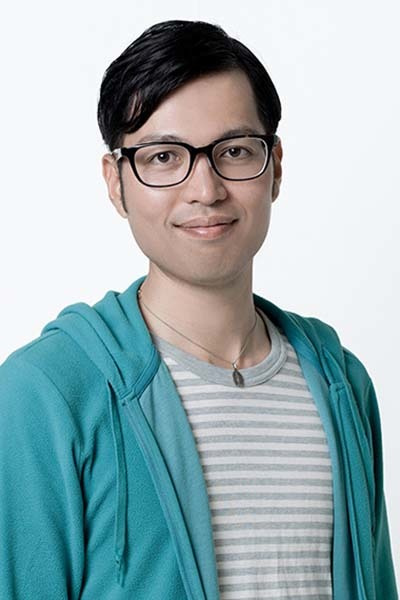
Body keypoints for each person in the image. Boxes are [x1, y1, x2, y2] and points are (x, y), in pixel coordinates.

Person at [0, 19, 397, 600]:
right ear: (116, 182)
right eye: (163, 157)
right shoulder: (46, 394)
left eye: (234, 152)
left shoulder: (342, 383)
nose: (205, 190)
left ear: (275, 166)